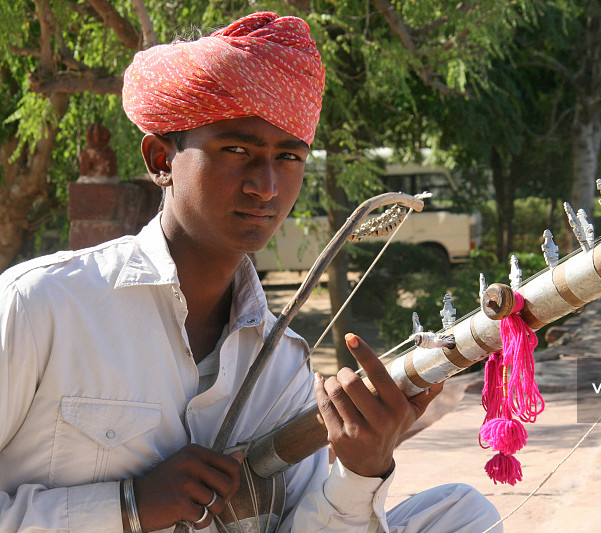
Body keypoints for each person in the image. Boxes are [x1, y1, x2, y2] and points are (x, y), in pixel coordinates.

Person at [0, 11, 501, 533]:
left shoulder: (282, 367)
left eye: (288, 157)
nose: (265, 186)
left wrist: (360, 469)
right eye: (236, 149)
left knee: (461, 513)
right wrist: (127, 507)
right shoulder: (41, 307)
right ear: (160, 158)